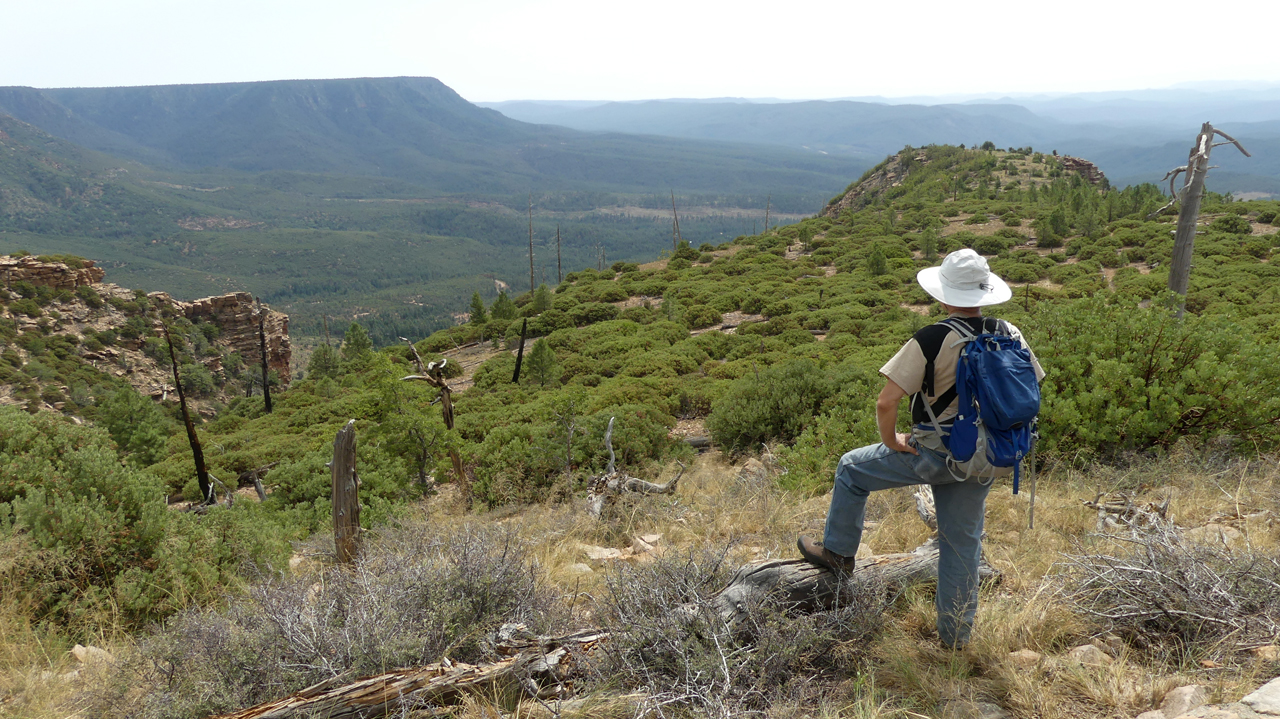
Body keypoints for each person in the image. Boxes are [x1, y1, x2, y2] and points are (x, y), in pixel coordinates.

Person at [797, 248, 1044, 649]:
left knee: (850, 469)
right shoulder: (1009, 332)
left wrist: (891, 441)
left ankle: (838, 555)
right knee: (962, 544)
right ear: (983, 294)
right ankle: (955, 641)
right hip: (989, 455)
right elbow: (1033, 383)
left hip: (936, 453)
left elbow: (887, 400)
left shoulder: (932, 338)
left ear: (944, 295)